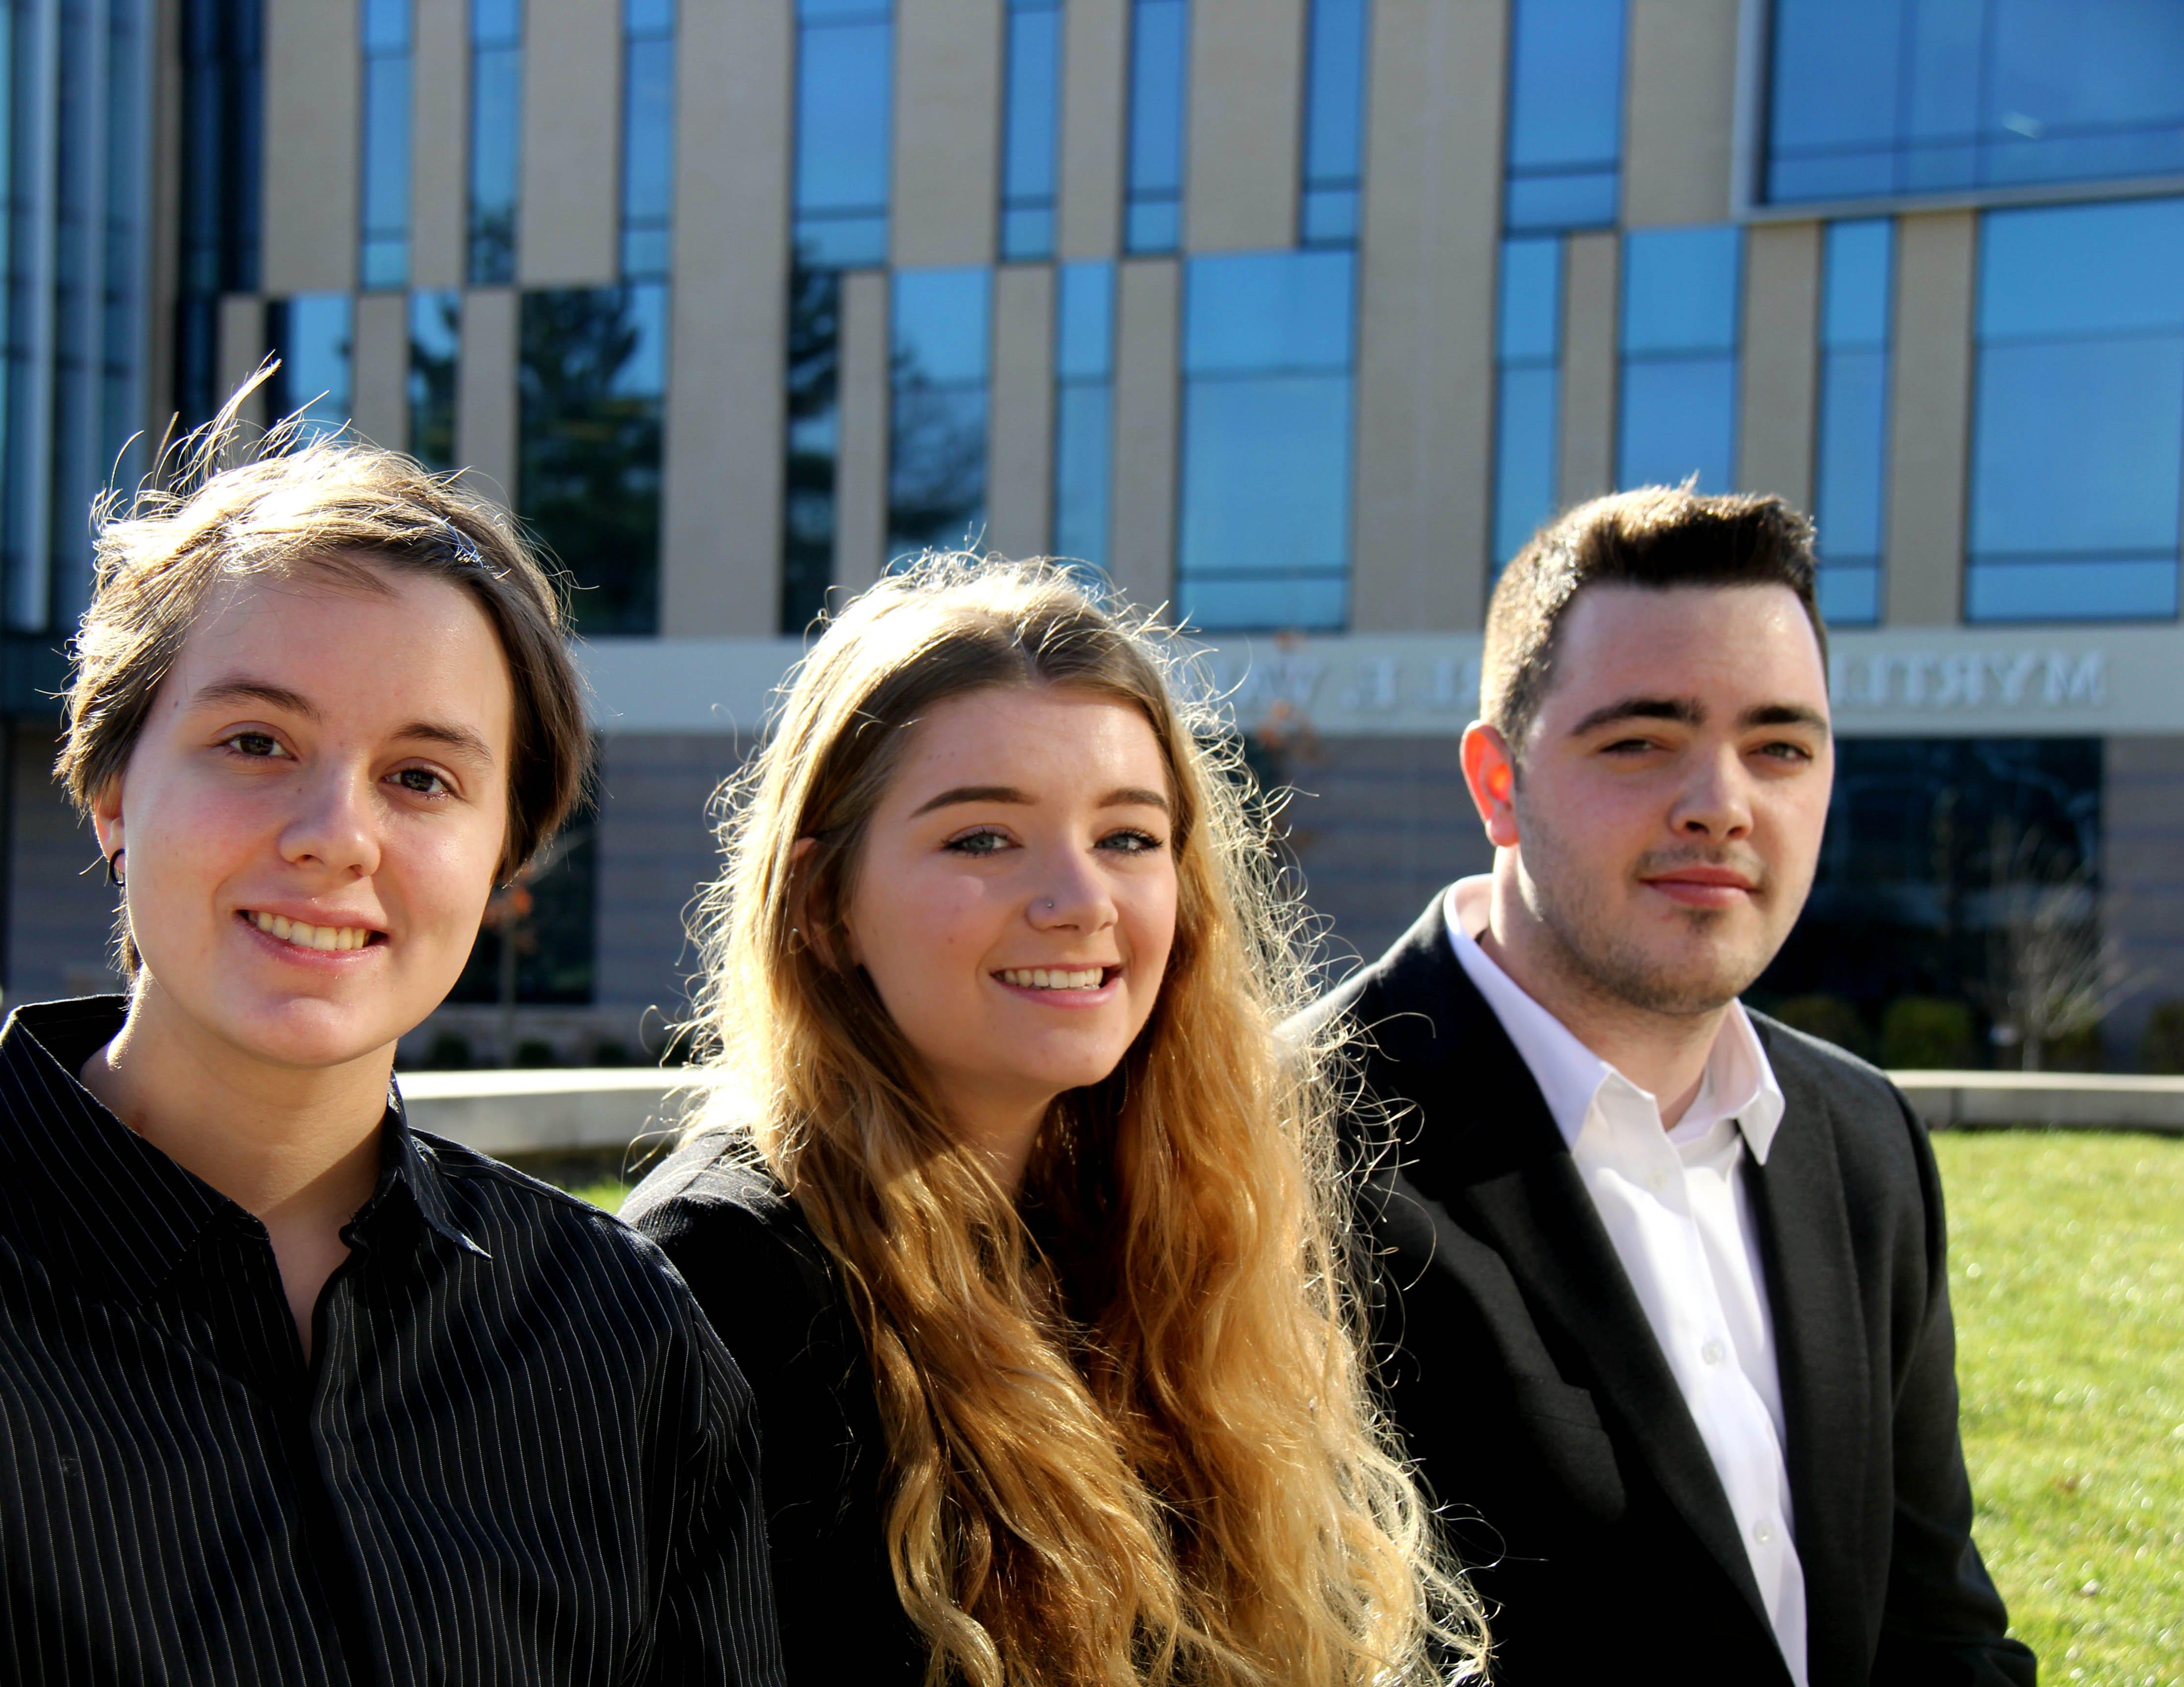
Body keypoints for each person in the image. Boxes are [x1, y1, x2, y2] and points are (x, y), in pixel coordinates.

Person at [0, 395, 783, 1685]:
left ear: (503, 859)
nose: (332, 834)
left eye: (423, 779)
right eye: (256, 742)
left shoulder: (624, 1336)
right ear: (111, 792)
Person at [622, 555, 1482, 1687]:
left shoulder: (1171, 1228)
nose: (1080, 903)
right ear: (826, 905)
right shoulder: (728, 1274)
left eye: (1128, 838)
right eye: (983, 838)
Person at [1292, 487, 2035, 1686]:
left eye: (1781, 747)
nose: (1722, 804)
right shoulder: (1277, 1144)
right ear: (1497, 785)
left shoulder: (1864, 1140)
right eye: (1641, 741)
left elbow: (1935, 1632)